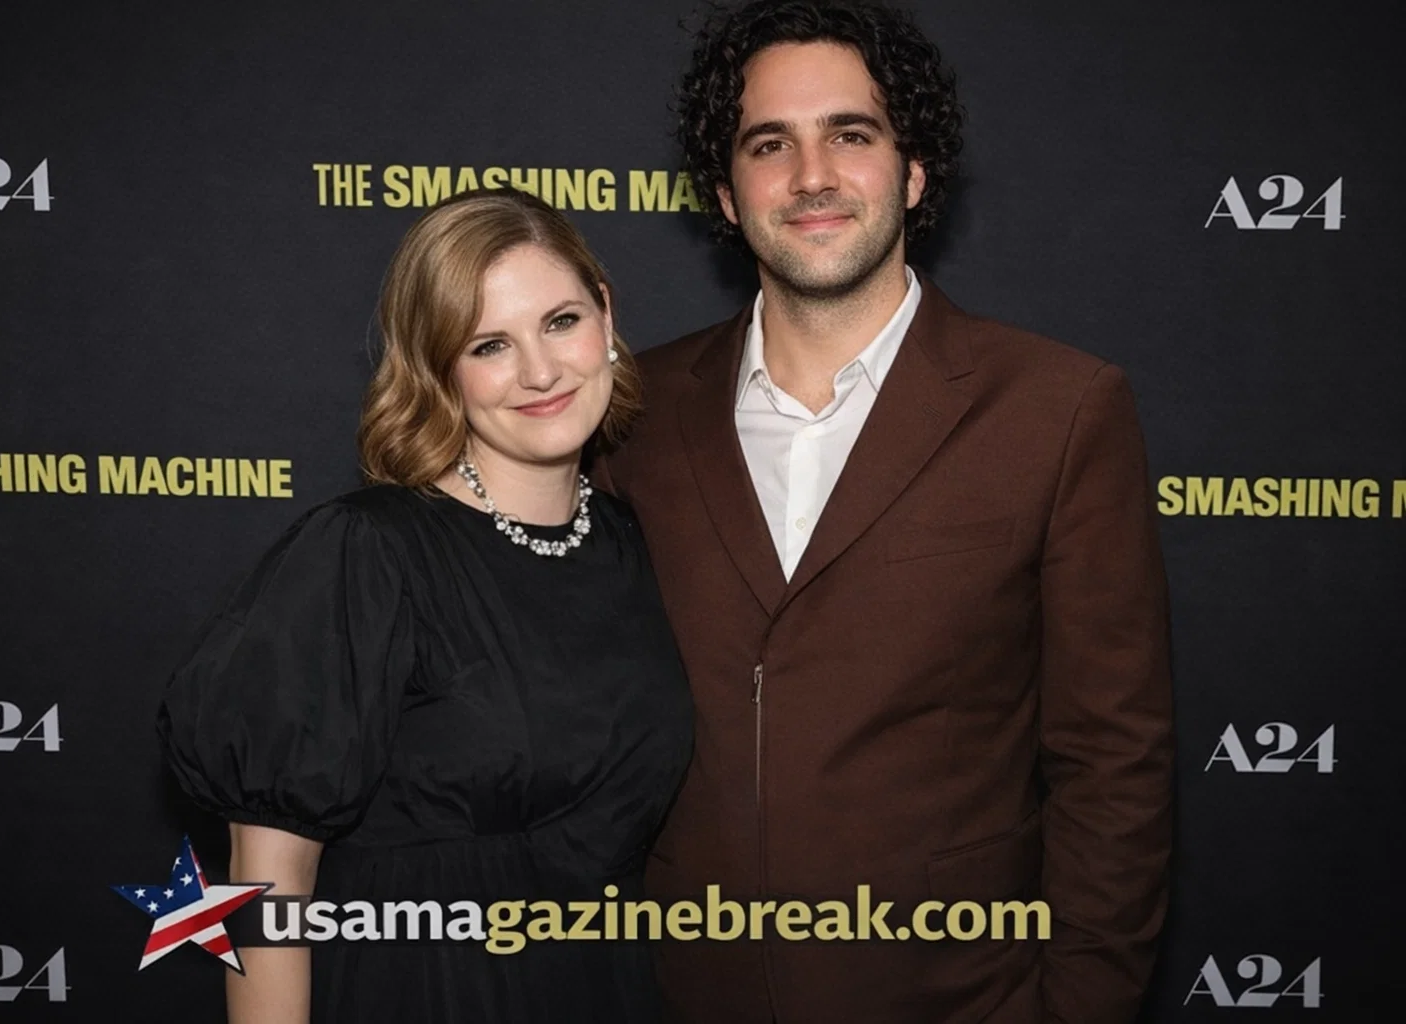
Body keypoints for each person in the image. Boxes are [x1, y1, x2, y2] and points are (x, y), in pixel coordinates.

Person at [597, 1, 1174, 1021]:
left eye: (851, 135)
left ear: (913, 172)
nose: (811, 175)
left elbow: (1114, 762)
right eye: (769, 144)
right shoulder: (629, 414)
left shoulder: (1058, 408)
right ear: (725, 192)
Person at [158, 188, 692, 1023]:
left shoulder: (637, 542)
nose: (540, 371)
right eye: (489, 345)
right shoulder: (367, 552)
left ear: (606, 314)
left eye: (560, 322)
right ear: (438, 368)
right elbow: (269, 883)